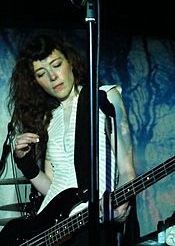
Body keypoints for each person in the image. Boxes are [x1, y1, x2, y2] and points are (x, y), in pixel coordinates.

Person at [1, 34, 139, 245]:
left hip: (91, 222)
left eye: (56, 65)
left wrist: (121, 201)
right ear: (35, 82)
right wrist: (23, 161)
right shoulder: (49, 119)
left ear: (71, 62)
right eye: (41, 73)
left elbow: (127, 170)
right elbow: (52, 189)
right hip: (53, 228)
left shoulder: (102, 97)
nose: (53, 77)